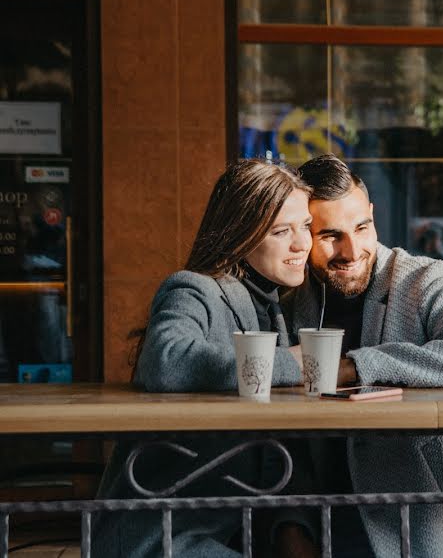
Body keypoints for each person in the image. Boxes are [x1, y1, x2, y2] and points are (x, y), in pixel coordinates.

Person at [278, 154, 443, 558]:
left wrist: (356, 366)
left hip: (420, 515)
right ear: (300, 236)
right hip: (324, 513)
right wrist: (290, 523)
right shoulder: (287, 301)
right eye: (330, 235)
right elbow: (282, 434)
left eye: (362, 227)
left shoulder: (422, 278)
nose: (352, 250)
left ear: (372, 214)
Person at [92, 160, 314, 557]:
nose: (302, 244)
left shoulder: (274, 306)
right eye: (282, 231)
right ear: (241, 234)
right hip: (161, 534)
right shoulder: (195, 289)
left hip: (225, 528)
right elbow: (165, 361)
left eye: (306, 226)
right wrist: (291, 363)